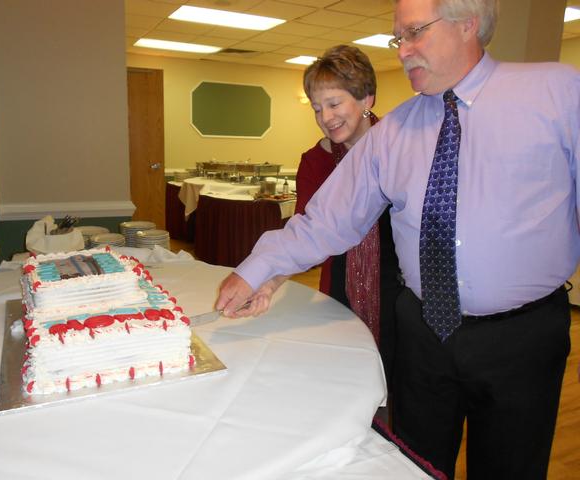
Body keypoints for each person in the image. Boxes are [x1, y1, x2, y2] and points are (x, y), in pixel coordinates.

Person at [216, 0, 579, 478]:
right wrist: (255, 272)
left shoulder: (557, 93)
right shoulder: (394, 132)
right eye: (397, 38)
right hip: (423, 334)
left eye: (414, 33)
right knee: (413, 465)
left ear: (467, 23)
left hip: (521, 339)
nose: (403, 51)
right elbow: (326, 220)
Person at [253, 45, 402, 387]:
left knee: (397, 388)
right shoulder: (314, 162)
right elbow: (304, 235)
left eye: (334, 104)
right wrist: (270, 280)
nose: (326, 117)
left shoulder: (401, 149)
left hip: (398, 292)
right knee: (342, 380)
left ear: (367, 99)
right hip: (339, 291)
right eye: (318, 109)